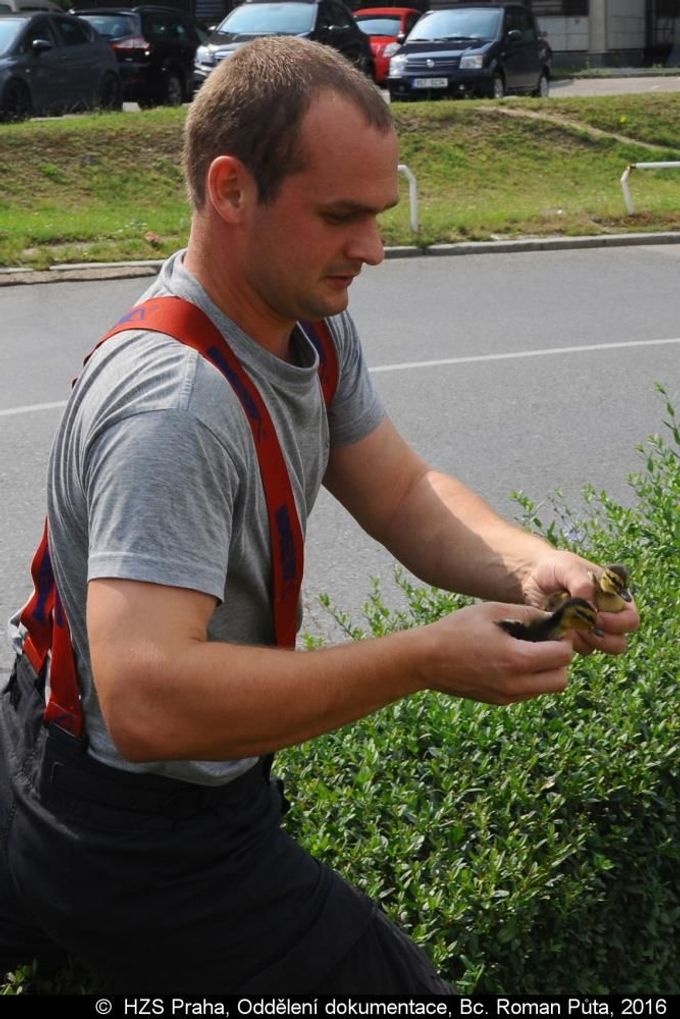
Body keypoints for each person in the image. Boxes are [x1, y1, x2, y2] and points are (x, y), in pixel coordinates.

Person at [0, 37, 638, 995]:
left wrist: (530, 565)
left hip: (80, 757)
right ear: (230, 189)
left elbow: (399, 489)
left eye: (380, 215)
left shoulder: (305, 313)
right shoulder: (174, 402)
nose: (375, 249)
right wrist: (423, 657)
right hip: (132, 829)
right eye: (342, 216)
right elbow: (146, 698)